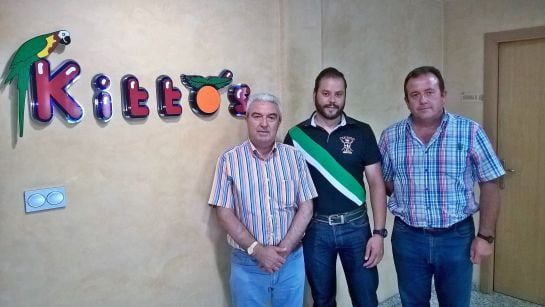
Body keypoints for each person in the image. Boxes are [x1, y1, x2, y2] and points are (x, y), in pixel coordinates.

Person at [378, 66, 505, 307]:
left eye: (429, 91)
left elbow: (491, 181)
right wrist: (409, 198)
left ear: (443, 94)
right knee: (412, 302)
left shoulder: (469, 131)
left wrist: (486, 236)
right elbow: (383, 181)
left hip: (456, 237)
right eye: (414, 95)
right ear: (406, 101)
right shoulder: (390, 137)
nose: (423, 100)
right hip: (408, 237)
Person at [284, 67, 387, 307]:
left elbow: (376, 184)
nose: (332, 100)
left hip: (357, 228)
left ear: (345, 96)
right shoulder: (296, 136)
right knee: (322, 299)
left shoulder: (362, 131)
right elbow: (288, 189)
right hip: (316, 230)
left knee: (366, 298)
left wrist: (379, 234)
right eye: (326, 93)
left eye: (338, 94)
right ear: (315, 94)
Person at [208, 93, 318, 307]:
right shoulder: (229, 160)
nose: (264, 124)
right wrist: (258, 250)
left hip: (290, 262)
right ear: (247, 118)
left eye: (272, 117)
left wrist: (283, 250)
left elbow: (307, 206)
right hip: (247, 263)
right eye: (257, 116)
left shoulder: (295, 157)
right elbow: (224, 212)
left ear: (279, 122)